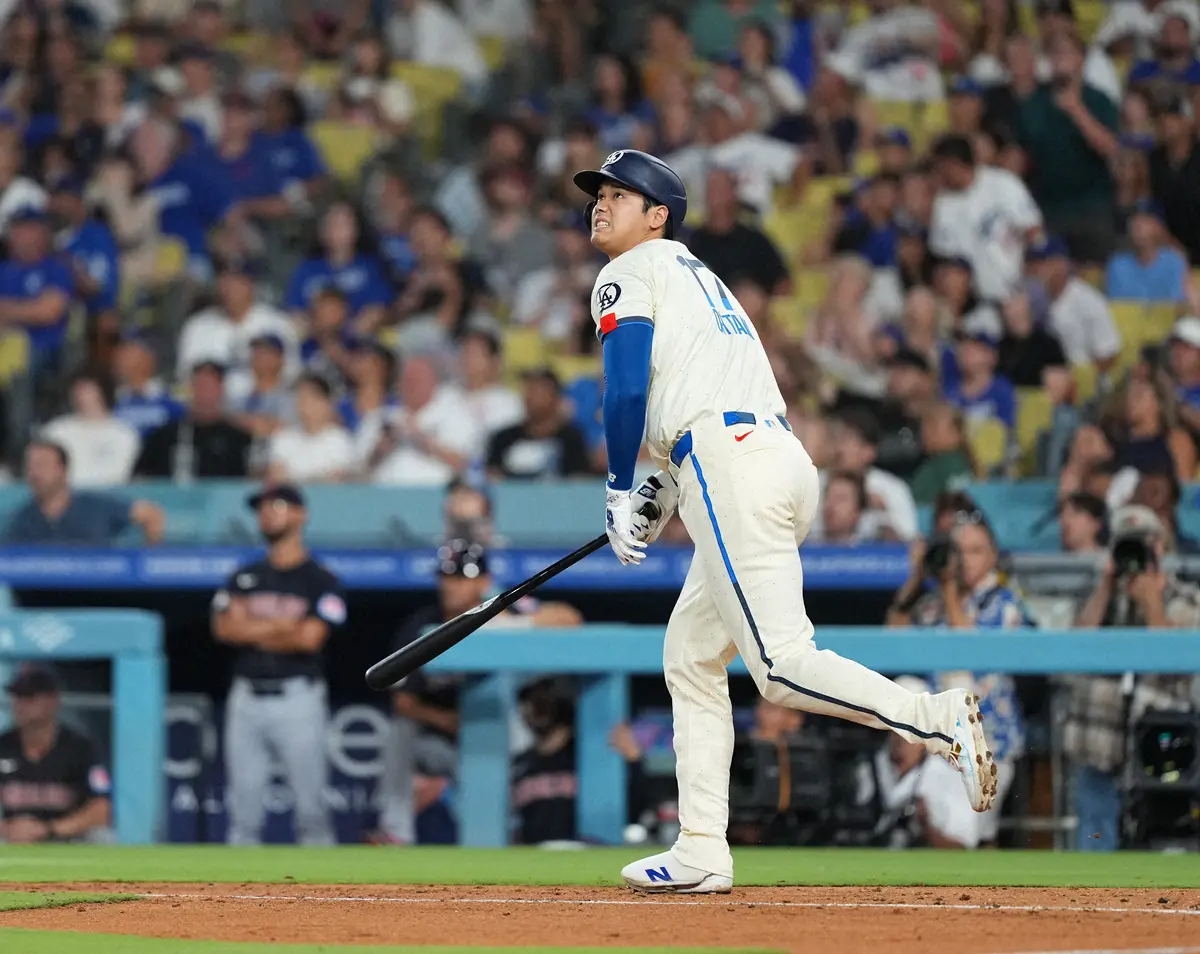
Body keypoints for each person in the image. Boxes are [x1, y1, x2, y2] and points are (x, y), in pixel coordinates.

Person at [573, 148, 996, 893]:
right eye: (597, 194)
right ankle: (702, 846)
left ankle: (934, 719)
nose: (600, 204)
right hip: (771, 458)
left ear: (658, 214)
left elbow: (627, 386)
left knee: (776, 664)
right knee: (692, 655)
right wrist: (662, 491)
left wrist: (617, 485)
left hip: (729, 464)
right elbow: (702, 402)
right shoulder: (704, 282)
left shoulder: (629, 271)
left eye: (618, 194)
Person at [211, 484, 347, 846]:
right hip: (246, 698)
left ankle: (328, 901)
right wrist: (282, 626)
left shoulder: (321, 579)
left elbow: (309, 638)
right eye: (262, 507)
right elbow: (224, 628)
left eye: (279, 505)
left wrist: (251, 627)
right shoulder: (244, 575)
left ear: (301, 514)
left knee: (312, 813)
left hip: (297, 697)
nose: (268, 513)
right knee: (242, 816)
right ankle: (235, 902)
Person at [0, 664, 114, 845]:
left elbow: (102, 810)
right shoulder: (3, 745)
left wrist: (48, 829)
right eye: (17, 697)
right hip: (11, 835)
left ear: (53, 700)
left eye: (29, 697)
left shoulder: (79, 748)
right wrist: (8, 828)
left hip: (65, 835)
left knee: (102, 838)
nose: (20, 704)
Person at [2, 440, 164, 545]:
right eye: (30, 467)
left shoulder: (94, 506)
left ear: (63, 470)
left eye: (42, 465)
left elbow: (151, 515)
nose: (35, 473)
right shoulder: (22, 520)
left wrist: (146, 564)